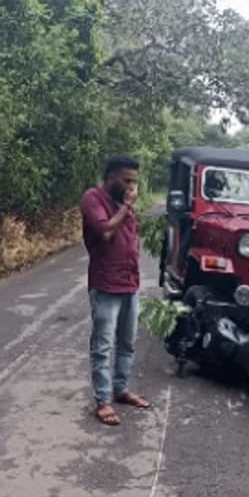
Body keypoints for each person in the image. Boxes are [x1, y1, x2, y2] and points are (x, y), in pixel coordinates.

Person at [80, 155, 152, 425]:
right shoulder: (93, 198)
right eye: (127, 180)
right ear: (111, 178)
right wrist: (127, 206)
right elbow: (106, 231)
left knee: (127, 343)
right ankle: (103, 400)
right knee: (103, 345)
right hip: (106, 284)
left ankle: (121, 390)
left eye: (135, 181)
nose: (132, 186)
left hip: (130, 283)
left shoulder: (124, 204)